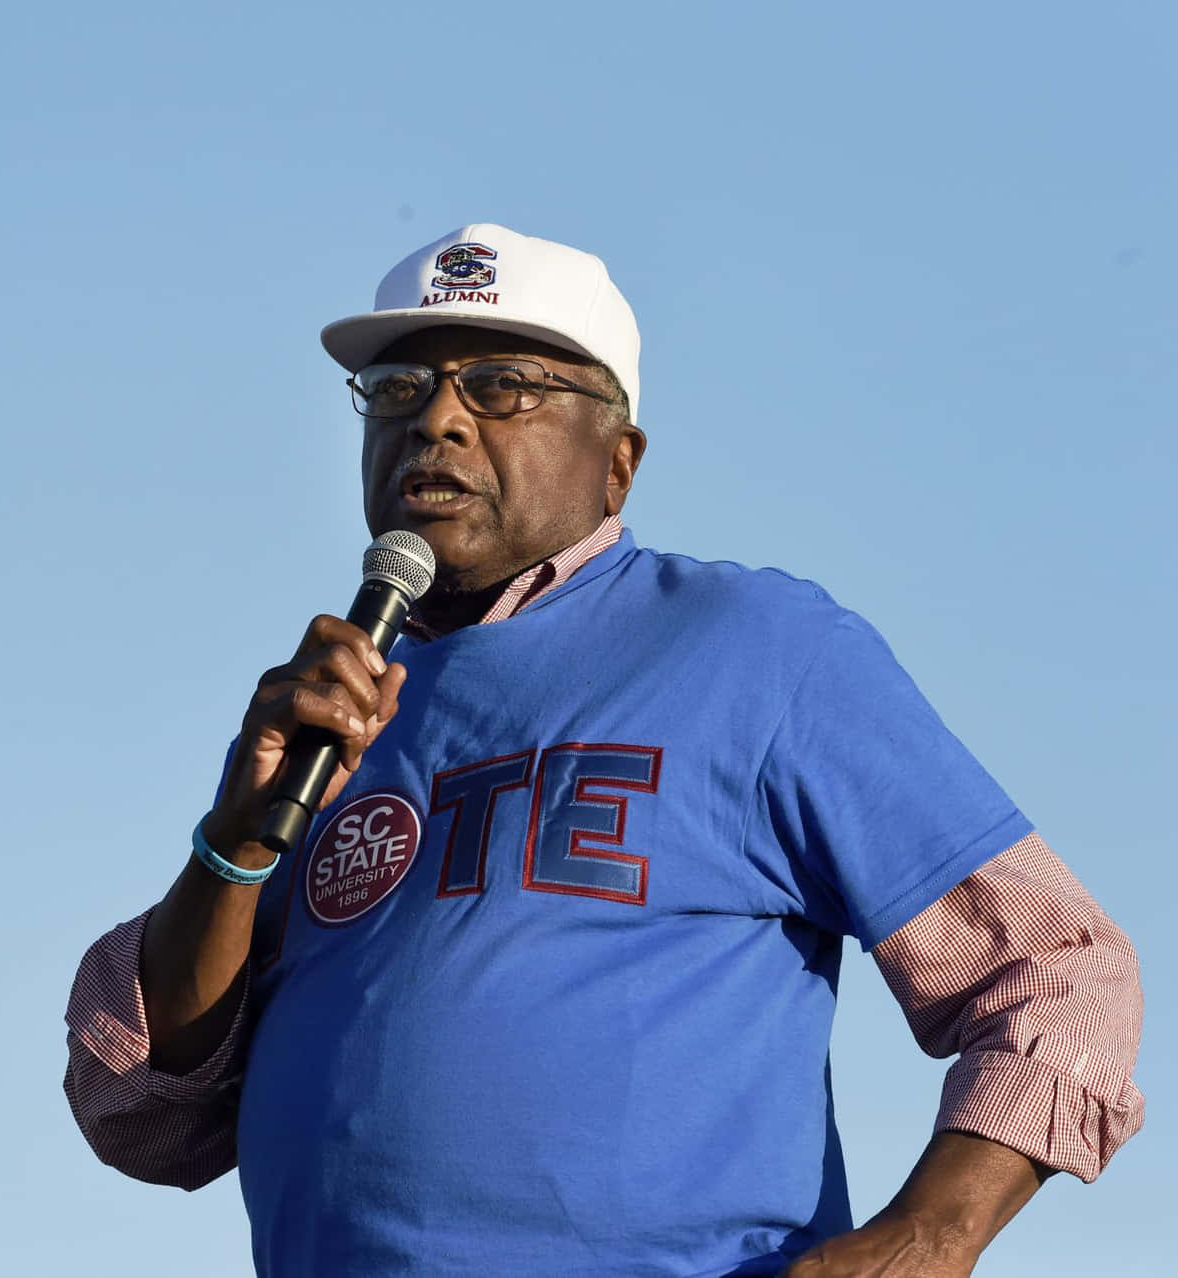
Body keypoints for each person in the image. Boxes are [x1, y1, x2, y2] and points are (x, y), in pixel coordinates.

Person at [61, 224, 1144, 1277]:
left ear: (617, 464)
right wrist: (233, 847)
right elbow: (148, 1119)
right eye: (397, 391)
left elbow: (1060, 973)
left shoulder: (758, 649)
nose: (437, 420)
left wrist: (933, 1234)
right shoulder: (330, 718)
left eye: (502, 386)